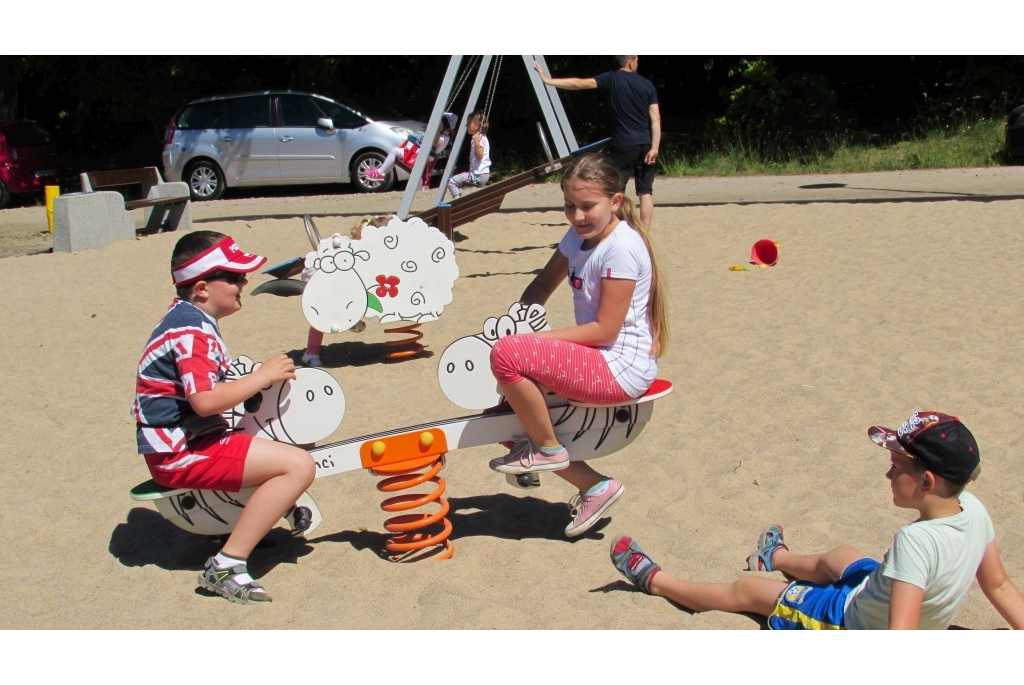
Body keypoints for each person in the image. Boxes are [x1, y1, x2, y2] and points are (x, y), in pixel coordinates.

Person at [610, 411, 1024, 629]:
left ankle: (658, 581)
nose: (888, 473)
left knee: (751, 591)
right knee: (842, 556)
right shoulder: (974, 509)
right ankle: (779, 557)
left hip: (848, 621)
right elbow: (1000, 585)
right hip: (875, 593)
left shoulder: (914, 543)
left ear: (926, 482)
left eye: (897, 466)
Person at [487, 152, 668, 538]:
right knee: (503, 410)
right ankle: (595, 487)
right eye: (570, 206)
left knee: (507, 356)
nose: (578, 216)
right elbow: (540, 286)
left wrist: (524, 342)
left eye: (588, 207)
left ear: (615, 201)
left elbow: (605, 330)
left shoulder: (621, 247)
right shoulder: (578, 237)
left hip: (620, 366)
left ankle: (548, 451)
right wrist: (517, 320)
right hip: (598, 357)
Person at [133, 230, 316, 605]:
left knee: (274, 442)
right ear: (202, 288)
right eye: (233, 277)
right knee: (299, 466)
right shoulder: (191, 331)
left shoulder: (186, 320)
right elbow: (204, 402)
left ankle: (237, 525)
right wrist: (261, 377)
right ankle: (226, 565)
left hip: (188, 441)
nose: (243, 282)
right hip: (181, 451)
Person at [535, 56, 661, 230]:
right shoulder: (647, 85)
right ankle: (644, 235)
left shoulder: (610, 78)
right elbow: (656, 119)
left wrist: (548, 80)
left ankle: (615, 230)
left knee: (614, 190)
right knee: (645, 192)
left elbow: (579, 84)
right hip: (645, 145)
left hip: (623, 143)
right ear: (631, 61)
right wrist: (655, 147)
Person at [300, 215, 390, 368]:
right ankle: (310, 354)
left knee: (348, 295)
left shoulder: (365, 247)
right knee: (322, 314)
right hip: (316, 276)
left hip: (333, 277)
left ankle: (349, 318)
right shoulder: (356, 249)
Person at [364, 112, 458, 188]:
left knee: (395, 151)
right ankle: (381, 173)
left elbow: (435, 144)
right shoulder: (443, 136)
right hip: (422, 156)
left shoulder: (444, 138)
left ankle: (380, 172)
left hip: (422, 158)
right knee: (397, 155)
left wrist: (438, 127)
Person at [446, 110, 491, 200]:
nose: (466, 125)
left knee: (451, 182)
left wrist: (477, 142)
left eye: (468, 123)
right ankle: (461, 200)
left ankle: (458, 202)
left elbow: (480, 156)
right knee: (457, 182)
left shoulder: (479, 138)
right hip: (479, 174)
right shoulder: (479, 137)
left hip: (479, 175)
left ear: (477, 125)